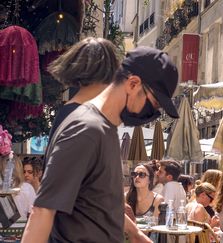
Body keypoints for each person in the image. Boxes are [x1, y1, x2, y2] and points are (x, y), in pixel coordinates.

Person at [22, 46, 179, 243]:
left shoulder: (105, 129)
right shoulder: (87, 130)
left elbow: (97, 203)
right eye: (154, 104)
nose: (152, 113)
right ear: (133, 84)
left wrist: (136, 235)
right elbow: (42, 212)